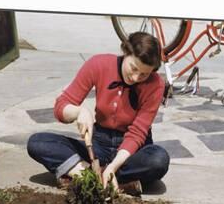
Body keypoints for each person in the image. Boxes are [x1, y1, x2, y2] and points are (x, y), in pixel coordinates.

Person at [27, 31, 170, 195]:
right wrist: (79, 111)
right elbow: (61, 107)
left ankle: (89, 176)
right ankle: (115, 181)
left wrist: (113, 166)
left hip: (132, 151)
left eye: (144, 74)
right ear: (126, 53)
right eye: (134, 68)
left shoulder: (156, 84)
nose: (136, 77)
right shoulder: (99, 64)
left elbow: (138, 133)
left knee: (158, 159)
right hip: (99, 144)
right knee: (37, 142)